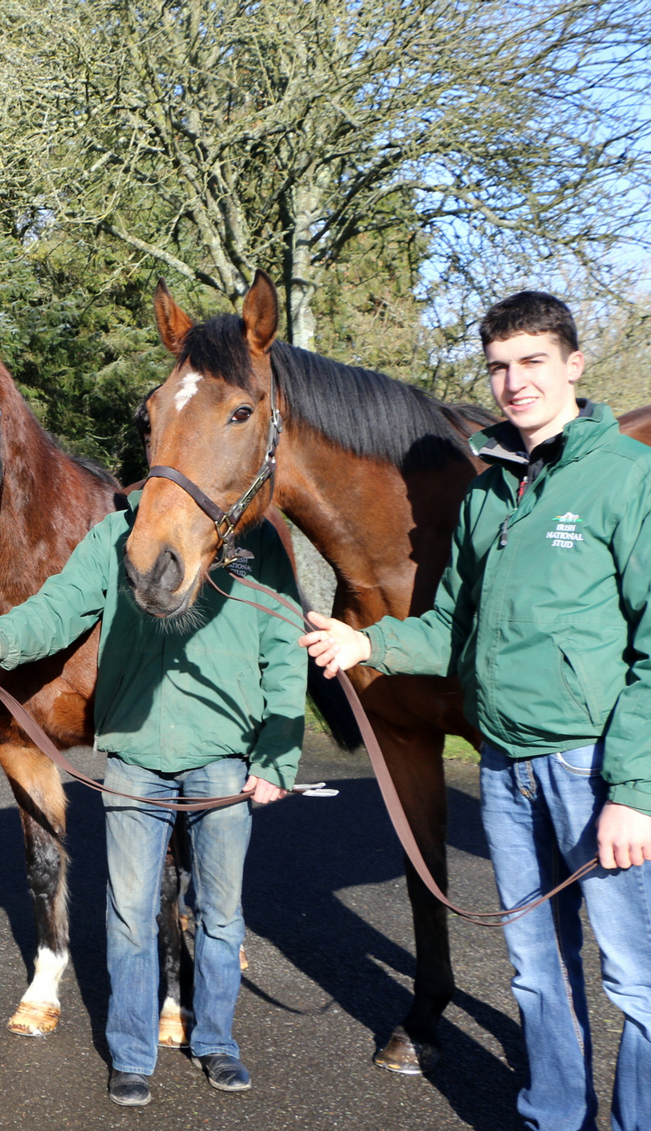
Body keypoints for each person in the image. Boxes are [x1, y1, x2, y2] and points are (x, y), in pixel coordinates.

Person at [301, 291, 651, 1131]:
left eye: (532, 362)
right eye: (499, 366)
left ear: (573, 365)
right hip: (503, 766)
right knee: (533, 966)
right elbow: (454, 626)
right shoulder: (492, 493)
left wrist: (634, 788)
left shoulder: (625, 478)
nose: (513, 382)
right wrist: (368, 647)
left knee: (634, 977)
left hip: (590, 762)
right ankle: (553, 1115)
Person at [0, 494, 304, 1107]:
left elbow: (283, 644)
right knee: (129, 913)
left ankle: (217, 1042)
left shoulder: (257, 541)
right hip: (136, 758)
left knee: (220, 914)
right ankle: (132, 1053)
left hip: (223, 755)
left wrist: (278, 752)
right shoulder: (116, 535)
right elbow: (62, 607)